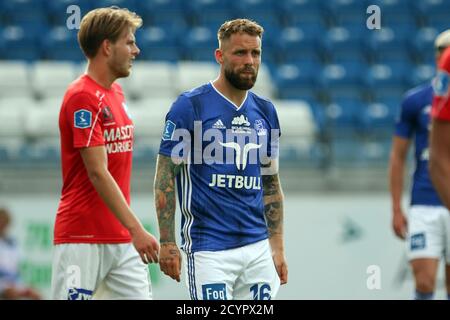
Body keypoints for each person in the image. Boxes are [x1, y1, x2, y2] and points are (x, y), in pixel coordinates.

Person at [154, 19, 288, 300]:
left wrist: (277, 246)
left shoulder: (266, 112)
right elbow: (166, 176)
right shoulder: (190, 106)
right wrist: (167, 242)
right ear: (220, 56)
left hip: (257, 248)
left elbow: (271, 183)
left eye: (255, 53)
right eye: (240, 53)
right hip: (209, 249)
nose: (249, 61)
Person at [51, 7, 159, 300]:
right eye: (129, 42)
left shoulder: (116, 94)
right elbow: (98, 172)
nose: (136, 50)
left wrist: (129, 231)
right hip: (82, 236)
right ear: (107, 47)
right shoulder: (82, 97)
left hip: (120, 237)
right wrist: (137, 229)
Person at [392, 30, 450, 300]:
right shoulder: (415, 100)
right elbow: (398, 156)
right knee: (424, 281)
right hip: (424, 201)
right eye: (442, 48)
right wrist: (396, 207)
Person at [0, 208, 41, 300]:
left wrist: (22, 285)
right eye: (1, 222)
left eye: (5, 223)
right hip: (2, 282)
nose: (3, 226)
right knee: (12, 294)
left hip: (13, 281)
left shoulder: (13, 243)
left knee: (36, 294)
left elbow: (16, 268)